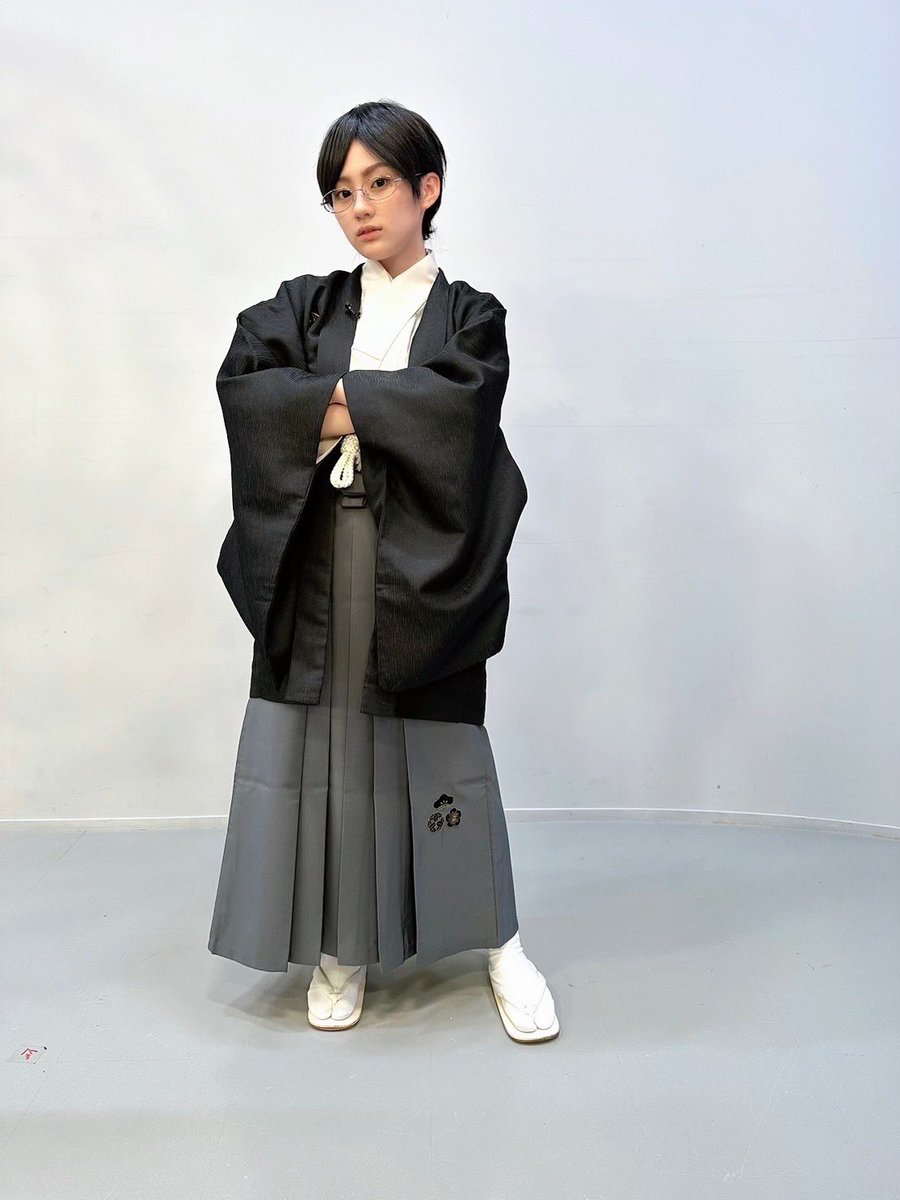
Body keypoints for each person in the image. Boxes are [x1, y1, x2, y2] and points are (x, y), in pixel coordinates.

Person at [208, 100, 559, 1043]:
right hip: (319, 560)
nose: (359, 208)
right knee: (330, 750)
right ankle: (343, 946)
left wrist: (330, 401)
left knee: (445, 755)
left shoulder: (470, 316)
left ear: (426, 189)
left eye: (380, 183)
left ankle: (499, 941)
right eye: (341, 192)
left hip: (418, 564)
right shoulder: (304, 305)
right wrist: (388, 403)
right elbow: (249, 391)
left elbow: (457, 414)